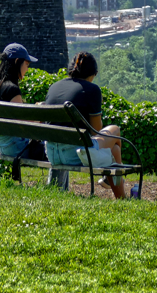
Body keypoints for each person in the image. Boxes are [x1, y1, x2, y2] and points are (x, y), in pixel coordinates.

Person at [44, 52, 127, 199]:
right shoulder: (92, 90)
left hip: (52, 153)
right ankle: (110, 179)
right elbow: (96, 131)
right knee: (115, 130)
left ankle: (122, 198)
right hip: (75, 154)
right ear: (93, 74)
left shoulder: (54, 87)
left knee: (114, 150)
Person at [0, 43, 45, 163]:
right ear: (17, 61)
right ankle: (57, 183)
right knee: (55, 148)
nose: (27, 69)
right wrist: (39, 115)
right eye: (27, 64)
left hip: (0, 145)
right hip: (16, 148)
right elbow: (22, 124)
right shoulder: (12, 89)